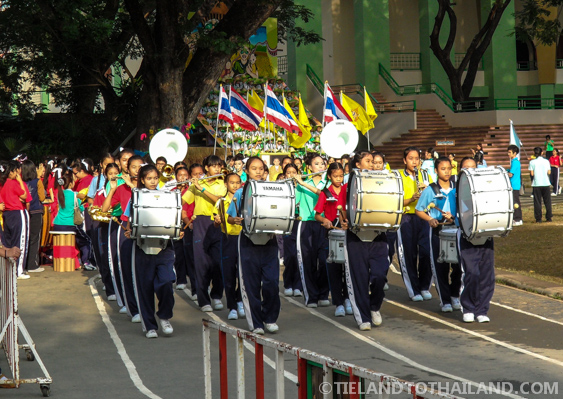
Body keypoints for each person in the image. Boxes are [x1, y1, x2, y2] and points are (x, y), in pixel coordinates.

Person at [227, 157, 281, 334]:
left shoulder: (274, 190)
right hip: (248, 242)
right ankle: (256, 322)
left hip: (269, 241)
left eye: (260, 168)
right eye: (253, 168)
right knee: (251, 284)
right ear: (247, 172)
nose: (258, 171)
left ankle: (270, 318)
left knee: (272, 282)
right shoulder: (240, 193)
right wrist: (234, 219)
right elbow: (230, 217)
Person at [127, 164, 177, 338]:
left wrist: (178, 230)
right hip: (142, 247)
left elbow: (174, 216)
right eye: (149, 178)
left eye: (156, 178)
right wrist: (129, 231)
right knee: (145, 287)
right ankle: (149, 326)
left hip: (164, 246)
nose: (153, 181)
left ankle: (164, 316)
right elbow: (129, 221)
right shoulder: (135, 197)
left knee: (166, 281)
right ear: (142, 180)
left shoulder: (167, 196)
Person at [343, 151, 390, 331]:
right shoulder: (350, 184)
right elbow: (343, 206)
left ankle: (374, 306)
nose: (372, 164)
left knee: (380, 275)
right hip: (356, 236)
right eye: (368, 161)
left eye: (374, 161)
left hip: (378, 234)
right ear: (358, 165)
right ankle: (362, 317)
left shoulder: (385, 182)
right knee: (359, 278)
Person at [415, 157, 461, 313]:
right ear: (436, 170)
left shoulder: (457, 188)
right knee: (440, 266)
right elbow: (419, 209)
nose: (447, 171)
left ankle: (455, 295)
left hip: (456, 229)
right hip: (438, 231)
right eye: (443, 169)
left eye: (449, 168)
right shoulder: (430, 190)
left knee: (458, 266)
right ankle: (445, 300)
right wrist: (431, 219)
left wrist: (455, 218)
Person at [183, 155, 226, 312]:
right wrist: (187, 186)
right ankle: (204, 299)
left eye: (219, 166)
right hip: (200, 222)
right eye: (214, 166)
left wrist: (201, 188)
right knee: (201, 262)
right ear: (206, 168)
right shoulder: (197, 183)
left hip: (217, 222)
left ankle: (216, 296)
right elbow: (185, 200)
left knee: (218, 262)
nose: (217, 169)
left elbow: (219, 200)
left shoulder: (221, 183)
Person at [103, 155, 143, 319]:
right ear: (128, 169)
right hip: (126, 229)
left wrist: (131, 185)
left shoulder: (148, 187)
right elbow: (105, 209)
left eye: (141, 167)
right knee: (126, 268)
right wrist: (112, 189)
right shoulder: (121, 188)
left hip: (144, 231)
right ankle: (132, 308)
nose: (137, 170)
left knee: (142, 270)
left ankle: (142, 306)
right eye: (134, 167)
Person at [456, 157, 495, 323]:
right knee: (471, 273)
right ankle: (468, 307)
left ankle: (482, 310)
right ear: (460, 171)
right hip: (467, 235)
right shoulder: (455, 192)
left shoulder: (486, 190)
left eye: (473, 168)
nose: (470, 171)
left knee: (487, 275)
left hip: (485, 234)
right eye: (466, 168)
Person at [313, 162, 352, 317]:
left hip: (346, 231)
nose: (338, 179)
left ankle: (349, 298)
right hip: (331, 234)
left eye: (341, 176)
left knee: (348, 269)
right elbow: (317, 214)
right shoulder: (325, 193)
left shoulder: (347, 190)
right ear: (329, 176)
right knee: (334, 268)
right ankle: (338, 302)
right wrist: (324, 221)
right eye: (335, 176)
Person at [397, 147, 433, 302]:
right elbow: (395, 200)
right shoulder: (398, 176)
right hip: (406, 217)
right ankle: (414, 289)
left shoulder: (425, 175)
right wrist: (411, 199)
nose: (414, 161)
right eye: (410, 158)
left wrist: (427, 193)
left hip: (424, 216)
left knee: (426, 252)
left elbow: (435, 197)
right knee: (409, 253)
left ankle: (425, 286)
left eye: (417, 158)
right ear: (405, 160)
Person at [294, 154, 329, 308]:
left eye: (322, 163)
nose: (321, 166)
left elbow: (322, 195)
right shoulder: (301, 184)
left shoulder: (327, 182)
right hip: (307, 224)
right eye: (317, 163)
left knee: (324, 261)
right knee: (308, 262)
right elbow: (294, 201)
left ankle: (323, 293)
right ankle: (312, 296)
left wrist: (302, 183)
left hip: (324, 224)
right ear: (309, 167)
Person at [214, 173, 245, 320]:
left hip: (244, 238)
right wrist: (217, 221)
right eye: (232, 182)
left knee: (243, 273)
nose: (235, 185)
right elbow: (215, 221)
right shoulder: (220, 202)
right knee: (229, 274)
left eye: (238, 182)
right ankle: (232, 306)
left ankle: (240, 301)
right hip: (228, 239)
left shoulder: (244, 198)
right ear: (226, 184)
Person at [52, 167, 93, 270]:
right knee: (87, 241)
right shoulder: (75, 195)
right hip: (70, 225)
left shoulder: (59, 193)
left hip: (57, 224)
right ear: (70, 184)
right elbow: (82, 208)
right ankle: (86, 262)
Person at [0, 161, 31, 278]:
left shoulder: (1, 184)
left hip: (5, 214)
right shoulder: (13, 183)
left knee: (7, 242)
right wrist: (19, 181)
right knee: (20, 241)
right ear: (11, 172)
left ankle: (9, 270)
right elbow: (24, 195)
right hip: (17, 212)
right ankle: (18, 270)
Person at [281, 163, 303, 298]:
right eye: (288, 172)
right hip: (287, 223)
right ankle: (288, 284)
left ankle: (298, 286)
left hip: (300, 223)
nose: (291, 175)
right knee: (290, 256)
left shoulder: (301, 187)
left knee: (299, 256)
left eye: (294, 172)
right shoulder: (282, 187)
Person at [22, 160, 44, 273]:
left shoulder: (21, 182)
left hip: (25, 212)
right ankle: (33, 265)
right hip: (36, 211)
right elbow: (42, 197)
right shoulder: (38, 182)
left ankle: (24, 264)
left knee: (26, 238)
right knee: (35, 238)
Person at [528, 147, 552, 223]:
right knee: (547, 201)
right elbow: (549, 172)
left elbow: (532, 173)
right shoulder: (546, 161)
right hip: (545, 183)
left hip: (537, 183)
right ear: (542, 153)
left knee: (537, 202)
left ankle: (538, 218)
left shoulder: (532, 162)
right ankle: (549, 217)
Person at [507, 145, 523, 226]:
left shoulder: (515, 162)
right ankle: (516, 218)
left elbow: (510, 174)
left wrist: (505, 173)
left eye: (510, 152)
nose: (508, 154)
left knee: (515, 203)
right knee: (514, 202)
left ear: (515, 153)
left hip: (514, 185)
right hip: (514, 185)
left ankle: (518, 219)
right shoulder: (514, 162)